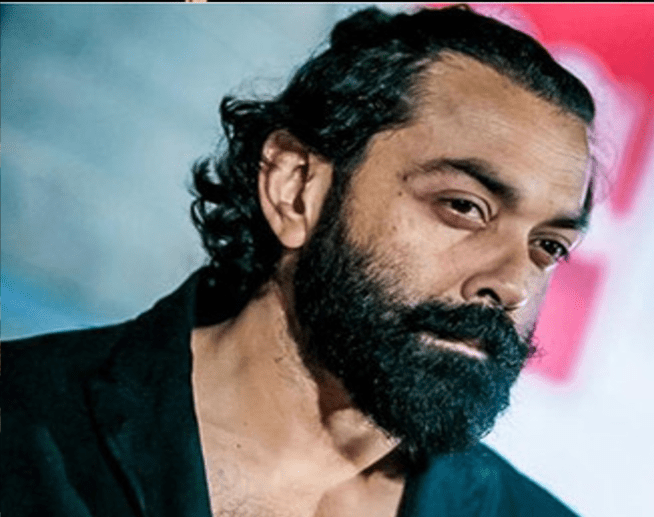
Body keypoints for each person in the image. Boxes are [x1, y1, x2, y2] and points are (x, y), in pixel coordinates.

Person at [2, 5, 596, 516]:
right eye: (463, 207)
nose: (513, 284)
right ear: (295, 188)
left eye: (548, 246)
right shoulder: (23, 425)